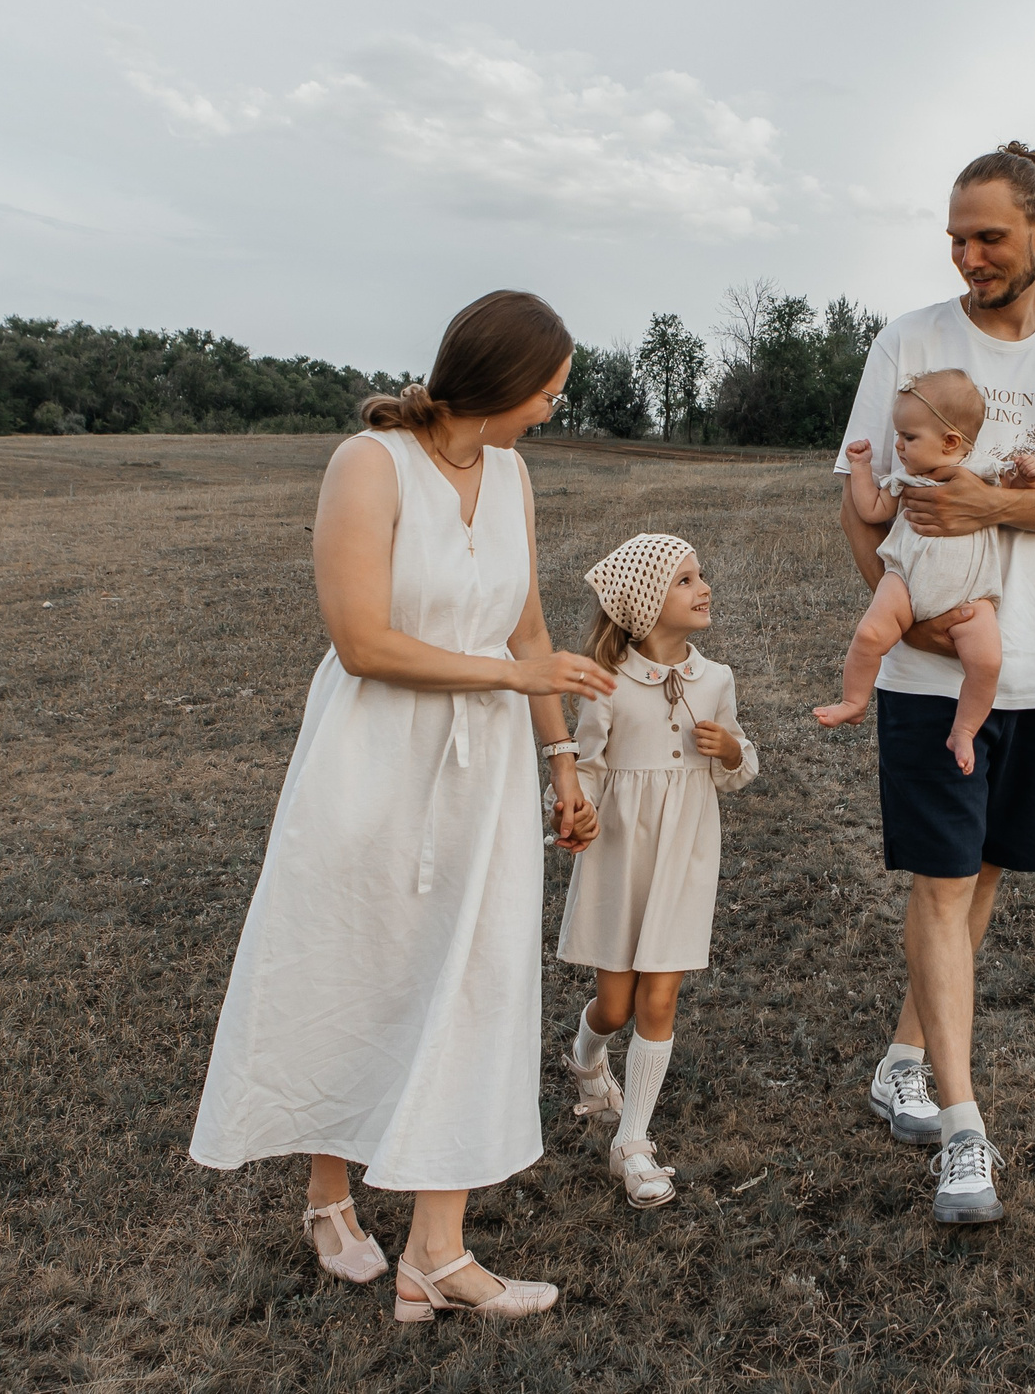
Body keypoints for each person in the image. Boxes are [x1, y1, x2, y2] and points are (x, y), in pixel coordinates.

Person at [189, 290, 614, 1322]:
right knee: (360, 962)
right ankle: (330, 1197)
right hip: (371, 758)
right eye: (551, 392)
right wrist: (512, 684)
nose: (554, 411)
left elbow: (527, 630)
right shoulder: (367, 465)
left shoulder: (510, 473)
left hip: (483, 776)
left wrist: (560, 758)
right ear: (510, 382)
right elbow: (361, 641)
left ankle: (437, 1249)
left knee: (471, 978)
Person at [836, 142, 1035, 1225]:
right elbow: (855, 495)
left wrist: (992, 508)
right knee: (940, 882)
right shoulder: (910, 341)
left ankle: (903, 1057)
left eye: (989, 236)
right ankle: (963, 1131)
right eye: (955, 239)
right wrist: (906, 619)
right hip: (927, 673)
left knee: (988, 868)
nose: (968, 257)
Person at [553, 534, 757, 1208]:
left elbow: (737, 769)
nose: (703, 587)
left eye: (701, 575)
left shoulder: (717, 679)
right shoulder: (606, 682)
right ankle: (586, 1058)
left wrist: (729, 747)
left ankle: (632, 1142)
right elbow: (584, 764)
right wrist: (571, 806)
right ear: (645, 603)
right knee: (615, 1004)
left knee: (659, 998)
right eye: (685, 579)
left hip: (686, 855)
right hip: (621, 853)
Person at [813, 368, 1015, 775]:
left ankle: (964, 729)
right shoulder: (905, 478)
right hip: (904, 580)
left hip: (970, 599)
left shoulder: (984, 473)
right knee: (870, 634)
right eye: (898, 435)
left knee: (987, 663)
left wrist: (1024, 479)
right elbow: (870, 510)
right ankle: (854, 701)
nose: (899, 445)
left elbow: (1011, 508)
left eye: (909, 437)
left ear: (951, 442)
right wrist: (861, 469)